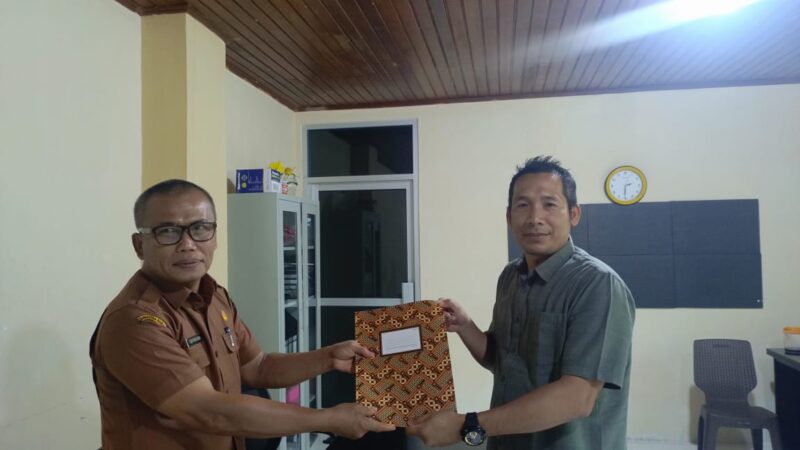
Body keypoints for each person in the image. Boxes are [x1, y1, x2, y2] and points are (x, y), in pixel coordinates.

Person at [90, 179, 394, 450]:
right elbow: (209, 411)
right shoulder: (135, 320)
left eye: (200, 228)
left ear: (214, 236)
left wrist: (328, 357)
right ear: (139, 245)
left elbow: (258, 367)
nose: (188, 244)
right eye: (168, 232)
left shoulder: (214, 297)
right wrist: (328, 419)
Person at [407, 156, 636, 449]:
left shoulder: (597, 284)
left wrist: (468, 424)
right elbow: (501, 361)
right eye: (523, 205)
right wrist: (465, 326)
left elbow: (577, 397)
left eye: (549, 204)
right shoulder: (510, 276)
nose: (535, 218)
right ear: (509, 216)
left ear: (574, 214)